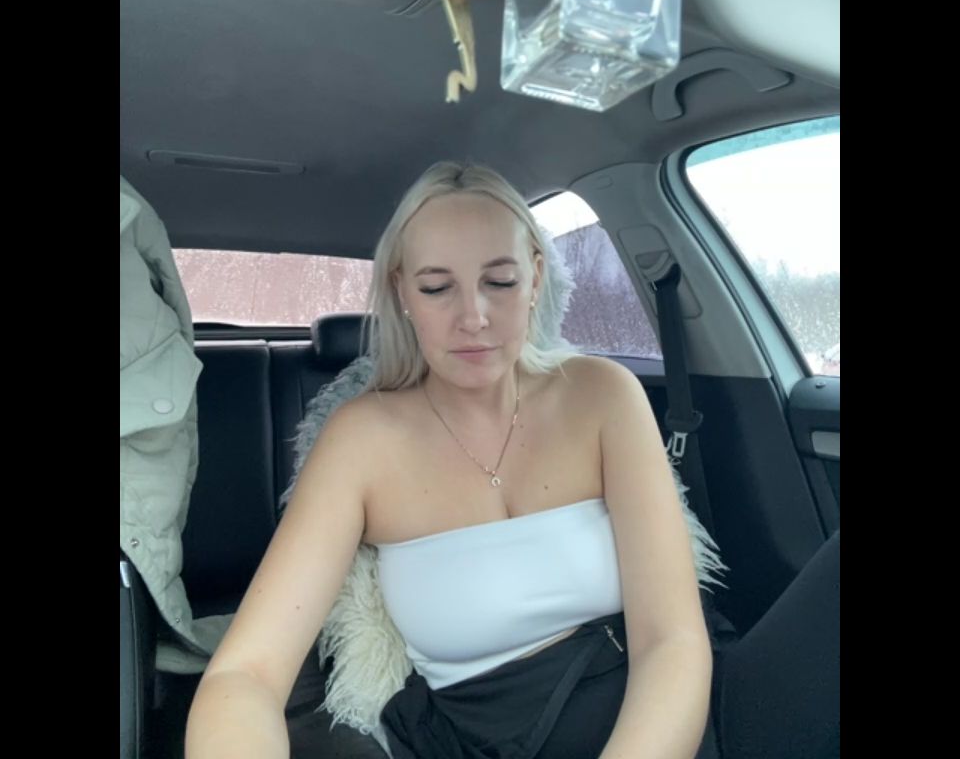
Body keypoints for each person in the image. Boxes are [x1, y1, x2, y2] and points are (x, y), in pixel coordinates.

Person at [185, 161, 836, 759]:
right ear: (402, 292)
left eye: (499, 281)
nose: (474, 316)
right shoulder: (360, 440)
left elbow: (672, 636)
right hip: (496, 740)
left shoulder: (601, 393)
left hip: (675, 705)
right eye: (437, 288)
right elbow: (247, 673)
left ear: (536, 279)